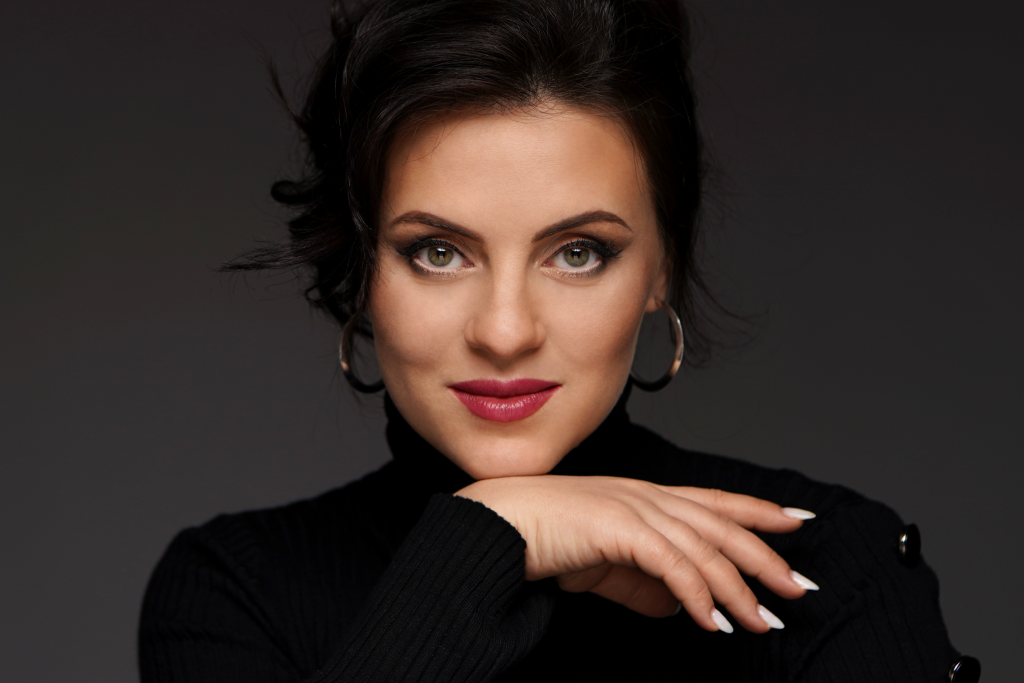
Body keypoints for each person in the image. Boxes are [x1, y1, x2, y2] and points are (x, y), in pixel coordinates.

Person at [138, 0, 980, 680]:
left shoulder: (823, 570)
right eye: (437, 252)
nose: (505, 331)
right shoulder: (235, 592)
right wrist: (487, 540)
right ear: (361, 272)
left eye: (578, 252)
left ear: (661, 266)